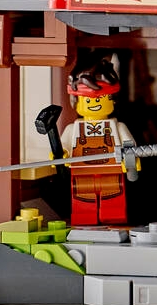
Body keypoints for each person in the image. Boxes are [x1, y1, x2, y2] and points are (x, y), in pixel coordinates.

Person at [33, 64, 141, 228]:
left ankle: (114, 219)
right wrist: (60, 153)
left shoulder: (118, 127)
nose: (94, 103)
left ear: (112, 100)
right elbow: (64, 147)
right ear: (76, 102)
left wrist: (131, 159)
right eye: (88, 100)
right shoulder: (73, 129)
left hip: (111, 172)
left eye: (99, 99)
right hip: (82, 173)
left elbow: (130, 146)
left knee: (113, 198)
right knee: (83, 198)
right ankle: (84, 218)